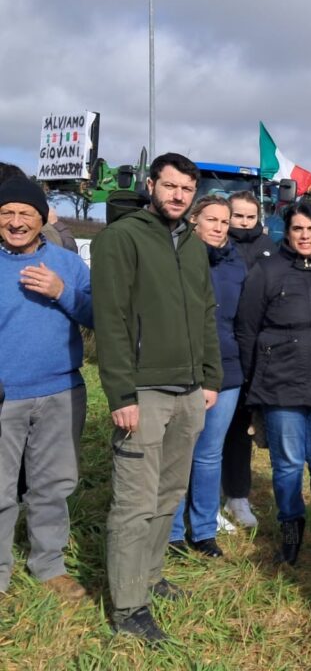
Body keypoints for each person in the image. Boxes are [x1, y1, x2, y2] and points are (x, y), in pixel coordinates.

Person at [92, 153, 222, 643]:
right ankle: (128, 608)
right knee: (135, 502)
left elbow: (206, 312)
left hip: (190, 393)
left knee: (169, 495)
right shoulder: (121, 239)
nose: (178, 196)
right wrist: (121, 392)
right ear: (152, 185)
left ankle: (149, 577)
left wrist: (210, 377)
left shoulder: (192, 244)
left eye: (187, 190)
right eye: (170, 186)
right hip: (143, 394)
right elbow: (112, 321)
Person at [235, 201, 311, 567]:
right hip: (281, 384)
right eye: (297, 229)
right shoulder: (267, 271)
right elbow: (247, 328)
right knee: (287, 464)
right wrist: (255, 382)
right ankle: (291, 534)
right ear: (287, 232)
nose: (305, 236)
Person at [0, 178, 92, 601]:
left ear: (42, 219)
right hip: (5, 396)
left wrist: (62, 292)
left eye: (25, 214)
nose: (16, 222)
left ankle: (48, 565)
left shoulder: (68, 264)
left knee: (52, 485)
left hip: (60, 391)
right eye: (7, 213)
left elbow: (98, 315)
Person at [169, 196, 247, 557]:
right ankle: (169, 532)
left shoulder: (236, 265)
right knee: (176, 451)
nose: (218, 227)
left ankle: (202, 530)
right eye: (211, 220)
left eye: (224, 221)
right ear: (194, 220)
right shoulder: (174, 257)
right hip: (180, 367)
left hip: (226, 370)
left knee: (209, 454)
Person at [219, 190, 276, 529]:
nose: (242, 223)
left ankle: (237, 496)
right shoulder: (215, 248)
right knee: (210, 433)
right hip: (223, 347)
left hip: (255, 352)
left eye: (249, 217)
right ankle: (206, 498)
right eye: (236, 216)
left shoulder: (269, 252)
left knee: (242, 428)